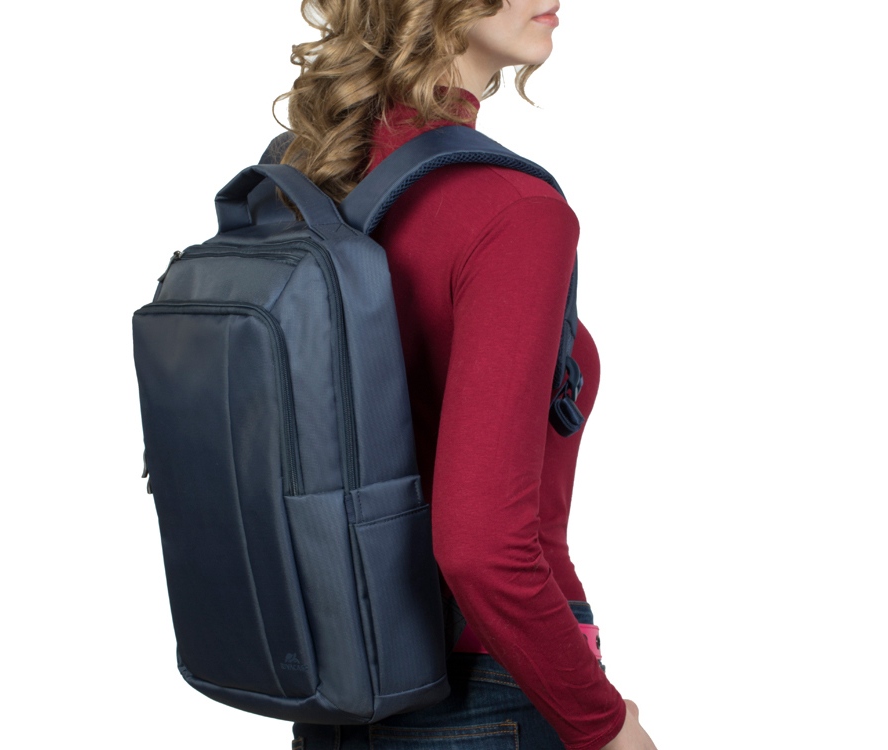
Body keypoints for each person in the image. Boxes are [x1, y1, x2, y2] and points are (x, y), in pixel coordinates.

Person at [275, 2, 659, 748]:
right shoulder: (512, 210)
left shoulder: (310, 184)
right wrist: (604, 726)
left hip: (339, 689)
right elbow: (482, 549)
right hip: (491, 687)